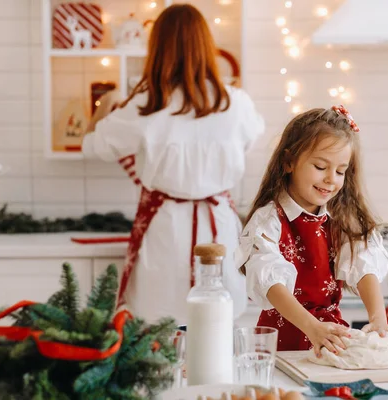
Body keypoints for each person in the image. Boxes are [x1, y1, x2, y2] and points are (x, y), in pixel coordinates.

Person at [82, 4, 264, 324]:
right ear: (206, 46)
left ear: (157, 49)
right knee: (218, 326)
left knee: (159, 331)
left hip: (165, 230)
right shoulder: (236, 103)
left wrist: (107, 101)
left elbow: (91, 145)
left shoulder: (145, 105)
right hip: (219, 228)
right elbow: (251, 141)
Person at [235, 105, 388, 356]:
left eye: (341, 171)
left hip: (331, 336)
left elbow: (362, 264)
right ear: (288, 162)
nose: (331, 178)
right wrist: (312, 327)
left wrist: (378, 320)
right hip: (282, 341)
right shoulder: (269, 219)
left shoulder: (342, 217)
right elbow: (270, 281)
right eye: (321, 167)